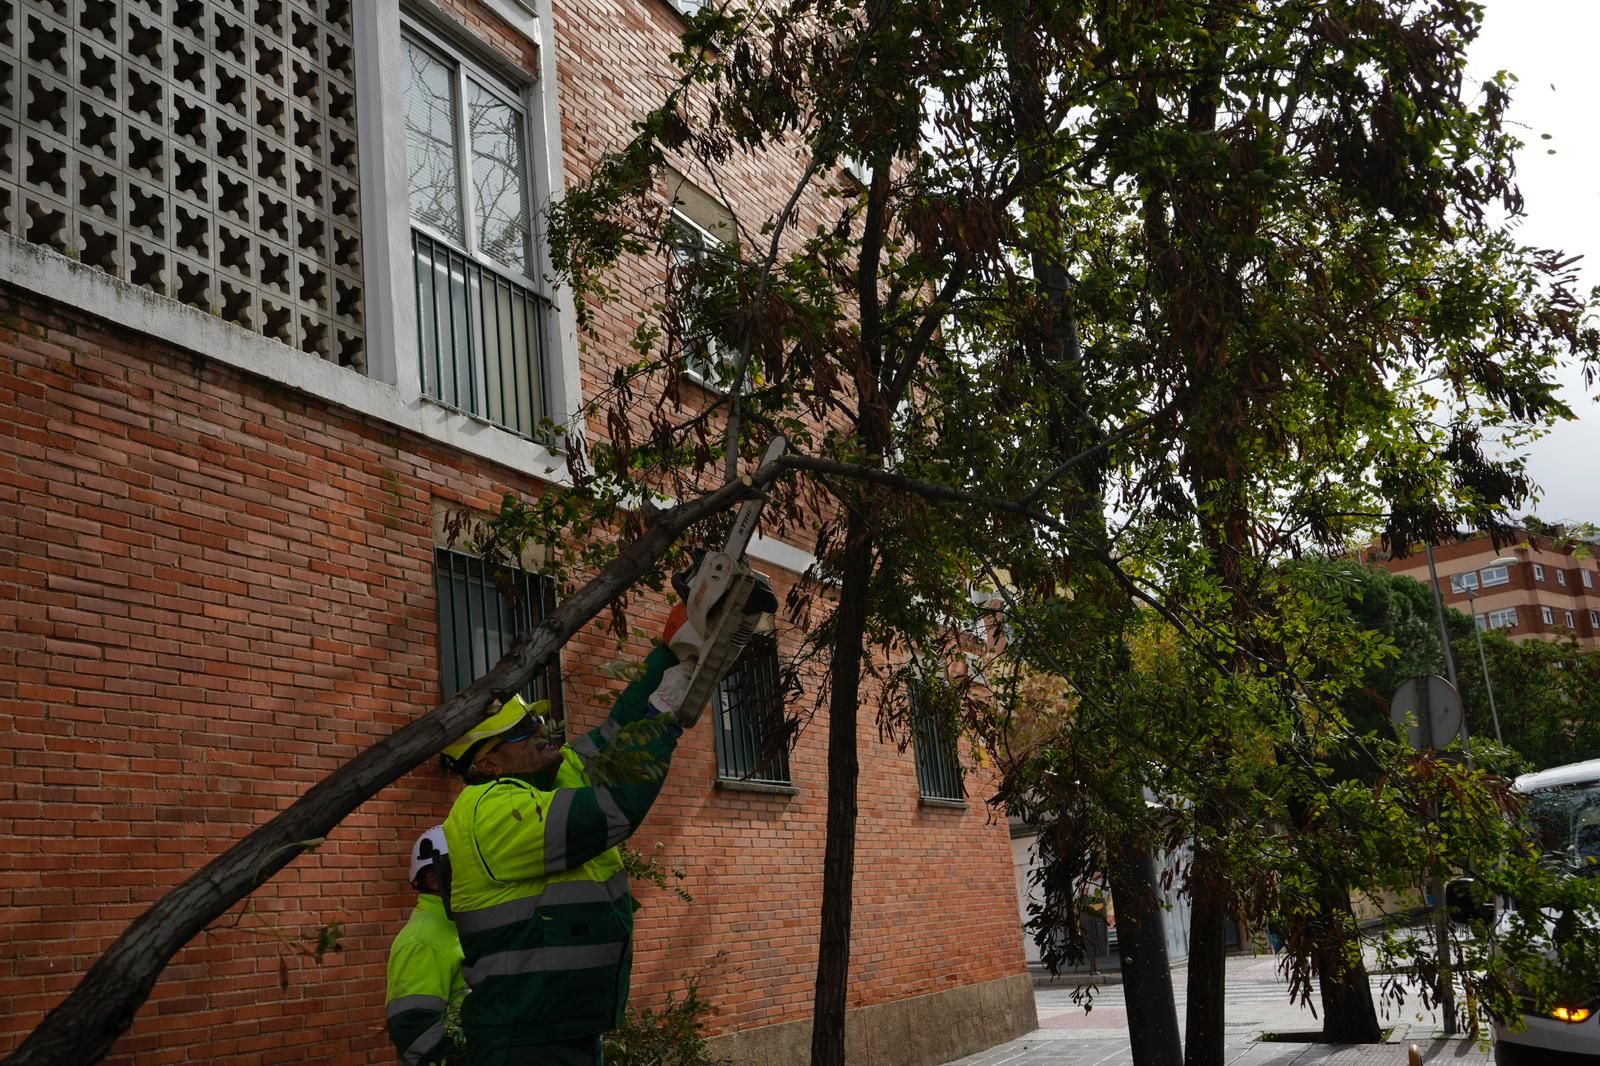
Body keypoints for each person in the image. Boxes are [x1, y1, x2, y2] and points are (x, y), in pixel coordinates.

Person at [437, 578, 772, 1065]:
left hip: (562, 1023)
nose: (540, 730)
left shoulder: (557, 775)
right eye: (520, 730)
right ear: (486, 764)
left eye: (535, 719)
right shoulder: (488, 811)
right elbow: (614, 809)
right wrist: (665, 722)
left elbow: (618, 730)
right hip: (524, 1038)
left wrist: (671, 650)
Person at [386, 825, 469, 1065]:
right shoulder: (422, 940)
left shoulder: (454, 928)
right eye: (465, 871)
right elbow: (414, 1029)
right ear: (435, 879)